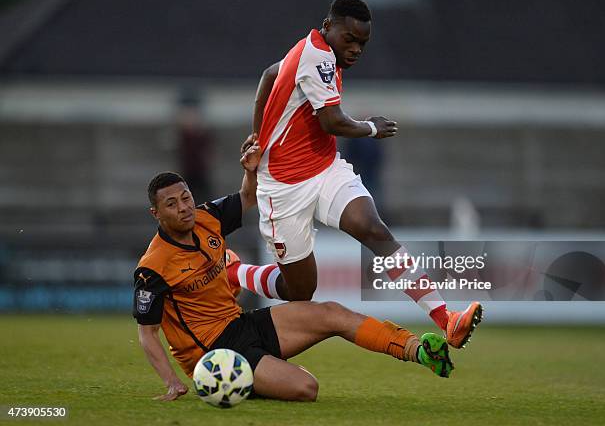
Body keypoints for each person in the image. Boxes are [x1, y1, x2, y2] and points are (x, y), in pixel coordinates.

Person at [133, 137, 453, 402]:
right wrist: (172, 381)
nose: (184, 208)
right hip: (214, 351)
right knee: (305, 388)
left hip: (240, 323)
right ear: (156, 213)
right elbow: (147, 333)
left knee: (331, 312)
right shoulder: (153, 267)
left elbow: (247, 196)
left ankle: (418, 351)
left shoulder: (207, 217)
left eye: (185, 198)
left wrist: (251, 169)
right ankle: (224, 381)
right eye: (171, 204)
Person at [243, 0, 482, 349]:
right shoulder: (318, 56)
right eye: (349, 39)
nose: (355, 49)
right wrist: (371, 127)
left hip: (324, 170)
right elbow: (332, 121)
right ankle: (236, 272)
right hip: (283, 187)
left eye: (362, 43)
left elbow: (269, 74)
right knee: (299, 289)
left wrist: (258, 134)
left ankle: (447, 320)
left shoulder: (316, 51)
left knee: (373, 228)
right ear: (328, 28)